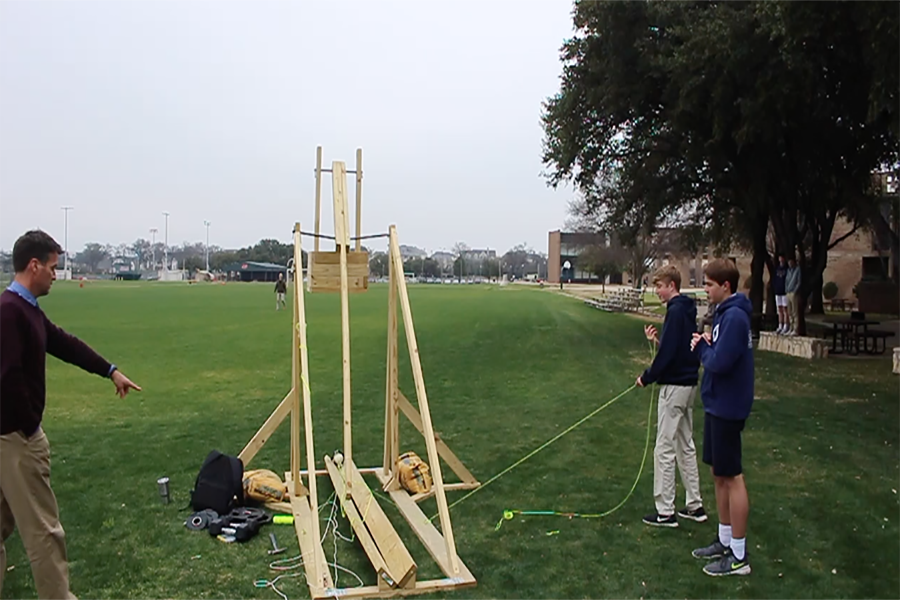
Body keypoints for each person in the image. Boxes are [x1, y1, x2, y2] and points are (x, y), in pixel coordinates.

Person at [0, 230, 142, 600]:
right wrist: (30, 426)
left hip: (9, 436)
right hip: (16, 441)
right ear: (34, 265)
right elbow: (8, 377)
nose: (55, 275)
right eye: (52, 267)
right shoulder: (9, 312)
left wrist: (110, 369)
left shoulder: (25, 309)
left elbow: (65, 344)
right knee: (44, 533)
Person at [690, 258, 754, 577]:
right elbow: (721, 353)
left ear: (725, 286)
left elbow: (721, 363)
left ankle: (739, 556)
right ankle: (724, 539)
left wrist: (702, 349)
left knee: (732, 476)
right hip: (716, 404)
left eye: (709, 284)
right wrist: (708, 344)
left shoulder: (736, 318)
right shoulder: (723, 316)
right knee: (718, 473)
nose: (705, 289)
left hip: (729, 407)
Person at [636, 266, 706, 528]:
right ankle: (694, 505)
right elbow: (678, 350)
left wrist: (646, 376)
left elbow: (667, 359)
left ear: (672, 286)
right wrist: (657, 341)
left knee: (664, 447)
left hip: (676, 387)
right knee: (684, 443)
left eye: (660, 286)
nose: (658, 291)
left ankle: (665, 511)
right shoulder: (685, 310)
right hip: (688, 384)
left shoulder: (676, 311)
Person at [785, 256, 801, 336]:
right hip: (788, 292)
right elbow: (786, 281)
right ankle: (790, 328)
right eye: (789, 262)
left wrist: (795, 291)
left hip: (793, 293)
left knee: (795, 312)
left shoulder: (797, 270)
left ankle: (795, 329)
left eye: (791, 261)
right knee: (789, 312)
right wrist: (786, 290)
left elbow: (798, 282)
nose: (790, 263)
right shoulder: (788, 271)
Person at [773, 254, 788, 334]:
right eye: (780, 257)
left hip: (784, 292)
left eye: (782, 257)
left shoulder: (786, 269)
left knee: (785, 309)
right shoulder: (777, 269)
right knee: (779, 310)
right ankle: (780, 325)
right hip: (778, 291)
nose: (781, 259)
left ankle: (786, 325)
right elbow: (775, 279)